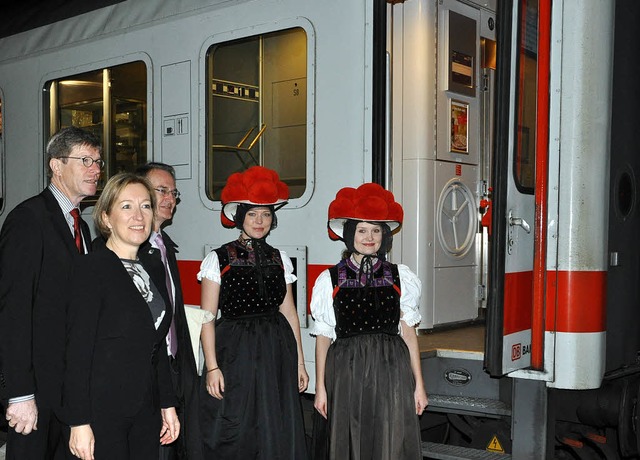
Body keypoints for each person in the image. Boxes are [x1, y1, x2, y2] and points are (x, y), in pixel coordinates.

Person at [0, 126, 102, 459]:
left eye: (99, 161)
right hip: (37, 388)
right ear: (56, 166)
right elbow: (13, 311)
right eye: (85, 160)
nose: (96, 169)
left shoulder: (81, 226)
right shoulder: (28, 220)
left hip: (69, 385)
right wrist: (19, 394)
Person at [63, 173, 180, 460]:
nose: (138, 215)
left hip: (146, 408)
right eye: (126, 207)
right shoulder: (91, 269)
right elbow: (77, 352)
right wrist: (78, 422)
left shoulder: (152, 266)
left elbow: (157, 345)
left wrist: (167, 404)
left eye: (145, 206)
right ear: (106, 217)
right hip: (102, 411)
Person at [311, 183, 428, 460]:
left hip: (392, 370)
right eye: (362, 230)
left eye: (376, 230)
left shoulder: (401, 276)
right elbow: (324, 338)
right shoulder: (330, 279)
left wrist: (419, 385)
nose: (369, 237)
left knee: (391, 439)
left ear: (384, 236)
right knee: (349, 438)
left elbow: (409, 335)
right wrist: (320, 388)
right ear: (350, 234)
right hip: (346, 370)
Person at [198, 166, 309, 459]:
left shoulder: (280, 258)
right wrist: (212, 367)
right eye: (252, 214)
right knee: (237, 423)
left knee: (276, 422)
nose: (260, 221)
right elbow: (206, 317)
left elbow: (290, 313)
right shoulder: (218, 258)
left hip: (276, 349)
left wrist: (300, 363)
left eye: (266, 214)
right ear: (240, 217)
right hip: (235, 352)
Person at [135, 162, 201, 460]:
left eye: (174, 193)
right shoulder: (128, 251)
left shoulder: (163, 245)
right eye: (161, 190)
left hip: (173, 367)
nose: (169, 199)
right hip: (145, 372)